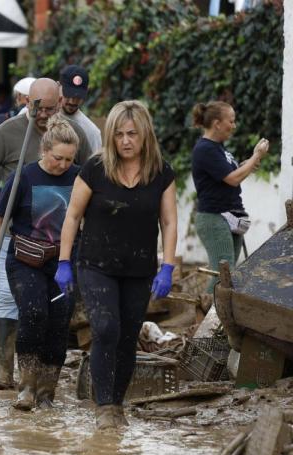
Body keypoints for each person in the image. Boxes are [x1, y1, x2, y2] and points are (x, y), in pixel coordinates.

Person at [57, 100, 179, 430]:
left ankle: (118, 402)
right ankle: (105, 405)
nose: (126, 141)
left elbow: (168, 222)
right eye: (120, 134)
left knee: (127, 337)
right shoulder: (95, 169)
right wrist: (64, 261)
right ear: (111, 135)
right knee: (106, 329)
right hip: (96, 264)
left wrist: (168, 266)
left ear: (145, 136)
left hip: (139, 269)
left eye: (133, 134)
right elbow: (72, 215)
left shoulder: (161, 173)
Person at [0, 78, 92, 390]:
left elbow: (89, 175)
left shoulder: (71, 134)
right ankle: (4, 371)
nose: (46, 114)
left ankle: (41, 379)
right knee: (9, 300)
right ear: (27, 102)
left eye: (52, 108)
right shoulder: (9, 131)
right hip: (15, 231)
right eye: (39, 108)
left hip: (59, 240)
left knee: (52, 310)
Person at [0, 115, 80, 411]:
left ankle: (47, 392)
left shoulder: (79, 177)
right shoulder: (23, 177)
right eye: (57, 158)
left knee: (60, 322)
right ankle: (26, 386)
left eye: (69, 159)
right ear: (43, 150)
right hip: (25, 259)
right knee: (34, 313)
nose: (63, 165)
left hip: (62, 261)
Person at [191, 100, 270, 293]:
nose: (234, 126)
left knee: (229, 274)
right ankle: (206, 318)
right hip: (214, 217)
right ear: (217, 123)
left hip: (229, 216)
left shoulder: (218, 148)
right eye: (231, 121)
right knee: (222, 275)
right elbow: (233, 179)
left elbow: (230, 174)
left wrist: (250, 161)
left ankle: (218, 319)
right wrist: (256, 157)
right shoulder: (205, 149)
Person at [60, 65, 102, 153]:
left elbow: (95, 165)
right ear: (59, 86)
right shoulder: (39, 115)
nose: (72, 101)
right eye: (68, 94)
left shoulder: (91, 132)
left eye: (78, 97)